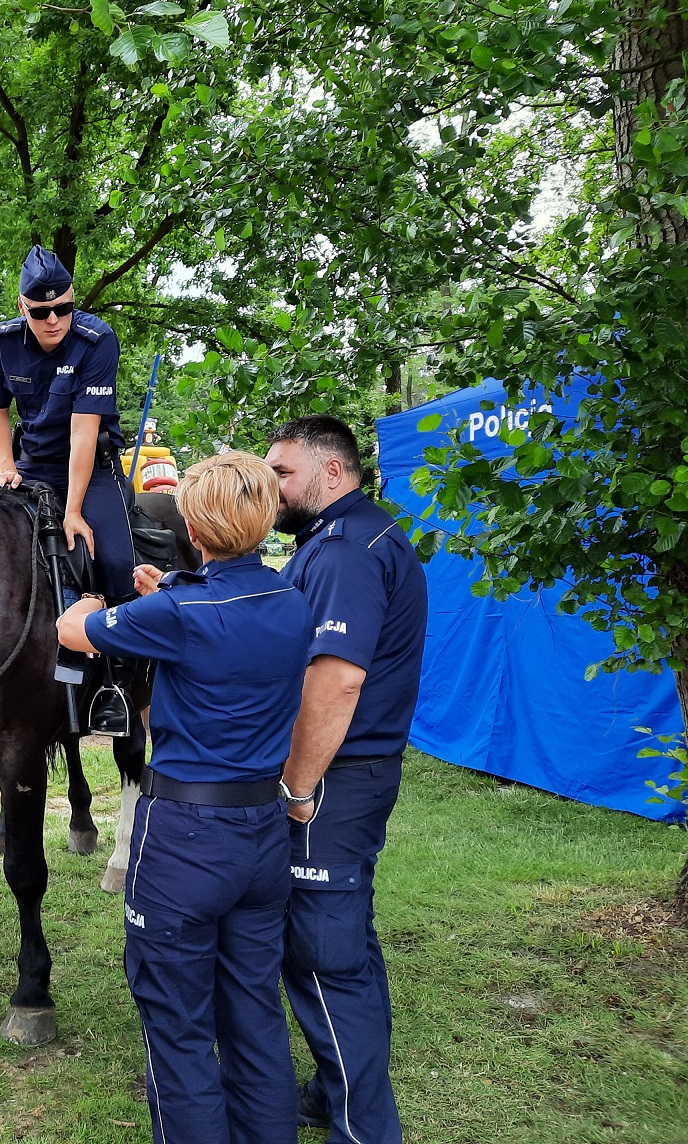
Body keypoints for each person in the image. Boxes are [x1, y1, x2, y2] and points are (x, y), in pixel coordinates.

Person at [57, 452, 312, 1144]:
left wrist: (85, 604)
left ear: (193, 526)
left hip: (185, 841)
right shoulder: (290, 600)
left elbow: (76, 633)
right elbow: (202, 610)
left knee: (177, 1024)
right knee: (254, 1012)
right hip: (261, 833)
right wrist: (166, 588)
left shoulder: (176, 611)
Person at [265, 416, 429, 1144]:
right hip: (351, 775)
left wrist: (298, 787)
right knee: (345, 947)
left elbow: (335, 682)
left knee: (323, 955)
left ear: (332, 473)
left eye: (282, 472)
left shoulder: (344, 553)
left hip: (333, 779)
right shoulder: (343, 542)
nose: (274, 486)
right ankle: (336, 1087)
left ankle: (364, 1130)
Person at [0, 245, 134, 603]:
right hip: (31, 465)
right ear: (22, 307)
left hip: (92, 468)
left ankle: (124, 655)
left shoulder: (97, 341)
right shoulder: (3, 343)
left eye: (63, 308)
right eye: (41, 312)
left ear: (73, 298)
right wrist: (6, 468)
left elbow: (84, 433)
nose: (53, 320)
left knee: (113, 559)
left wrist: (73, 511)